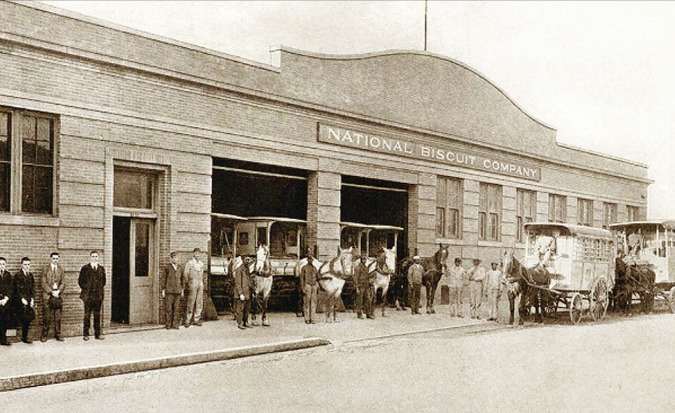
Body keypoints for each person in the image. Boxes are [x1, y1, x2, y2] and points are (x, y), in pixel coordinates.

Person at [79, 250, 106, 341]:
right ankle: (85, 334)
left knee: (97, 315)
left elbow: (104, 282)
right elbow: (80, 281)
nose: (94, 258)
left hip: (98, 296)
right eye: (93, 256)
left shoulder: (101, 269)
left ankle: (97, 334)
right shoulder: (85, 268)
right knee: (87, 315)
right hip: (88, 296)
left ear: (98, 258)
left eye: (96, 256)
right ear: (90, 257)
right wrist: (87, 290)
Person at [41, 252, 66, 342]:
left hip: (58, 296)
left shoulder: (61, 269)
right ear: (50, 259)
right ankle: (44, 334)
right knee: (47, 317)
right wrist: (51, 292)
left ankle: (58, 334)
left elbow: (63, 282)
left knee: (58, 317)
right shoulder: (45, 269)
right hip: (48, 296)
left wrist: (58, 291)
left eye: (57, 259)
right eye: (53, 258)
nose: (55, 260)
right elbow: (43, 283)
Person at [13, 257, 36, 344]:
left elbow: (33, 288)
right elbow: (17, 289)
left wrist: (32, 299)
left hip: (29, 300)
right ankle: (22, 336)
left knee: (28, 318)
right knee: (22, 318)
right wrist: (22, 299)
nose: (27, 266)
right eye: (25, 264)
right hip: (20, 300)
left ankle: (24, 336)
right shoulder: (18, 275)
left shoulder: (30, 275)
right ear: (22, 265)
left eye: (28, 264)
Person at [161, 251, 184, 330]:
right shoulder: (167, 268)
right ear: (171, 259)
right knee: (169, 308)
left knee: (176, 308)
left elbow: (182, 279)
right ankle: (168, 324)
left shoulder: (180, 268)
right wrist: (163, 290)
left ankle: (175, 324)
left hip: (178, 291)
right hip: (169, 291)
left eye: (176, 257)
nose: (175, 259)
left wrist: (182, 290)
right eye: (173, 257)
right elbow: (163, 278)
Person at [184, 247, 205, 327]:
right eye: (196, 253)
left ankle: (196, 319)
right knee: (191, 301)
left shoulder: (201, 264)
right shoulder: (190, 263)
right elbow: (186, 274)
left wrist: (201, 282)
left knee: (199, 301)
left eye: (199, 254)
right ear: (193, 254)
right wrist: (188, 283)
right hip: (192, 282)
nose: (197, 255)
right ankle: (188, 319)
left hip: (200, 283)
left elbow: (202, 274)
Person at [233, 256, 252, 330]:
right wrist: (240, 293)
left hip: (247, 292)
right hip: (241, 293)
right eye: (246, 259)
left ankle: (245, 322)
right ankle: (240, 323)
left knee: (247, 308)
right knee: (240, 309)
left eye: (249, 260)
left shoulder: (247, 269)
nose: (248, 261)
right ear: (243, 260)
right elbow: (238, 283)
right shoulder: (239, 270)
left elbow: (248, 281)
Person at [300, 253, 319, 324]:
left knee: (313, 302)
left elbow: (317, 277)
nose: (311, 260)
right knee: (306, 302)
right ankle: (307, 318)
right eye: (309, 259)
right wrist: (302, 287)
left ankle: (313, 318)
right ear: (307, 260)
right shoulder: (304, 268)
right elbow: (302, 279)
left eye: (312, 259)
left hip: (314, 285)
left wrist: (317, 287)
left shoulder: (315, 268)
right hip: (307, 285)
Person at [354, 253, 374, 319]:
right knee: (360, 300)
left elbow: (367, 276)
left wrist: (371, 275)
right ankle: (359, 314)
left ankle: (368, 314)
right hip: (360, 286)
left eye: (365, 259)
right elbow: (356, 278)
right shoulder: (358, 268)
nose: (364, 260)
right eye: (363, 259)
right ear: (361, 260)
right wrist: (357, 288)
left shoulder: (366, 267)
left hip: (366, 285)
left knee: (367, 300)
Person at [0, 257, 12, 345]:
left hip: (5, 301)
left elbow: (10, 288)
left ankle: (3, 339)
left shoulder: (8, 275)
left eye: (3, 264)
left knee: (4, 320)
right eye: (0, 264)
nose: (2, 266)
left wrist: (6, 298)